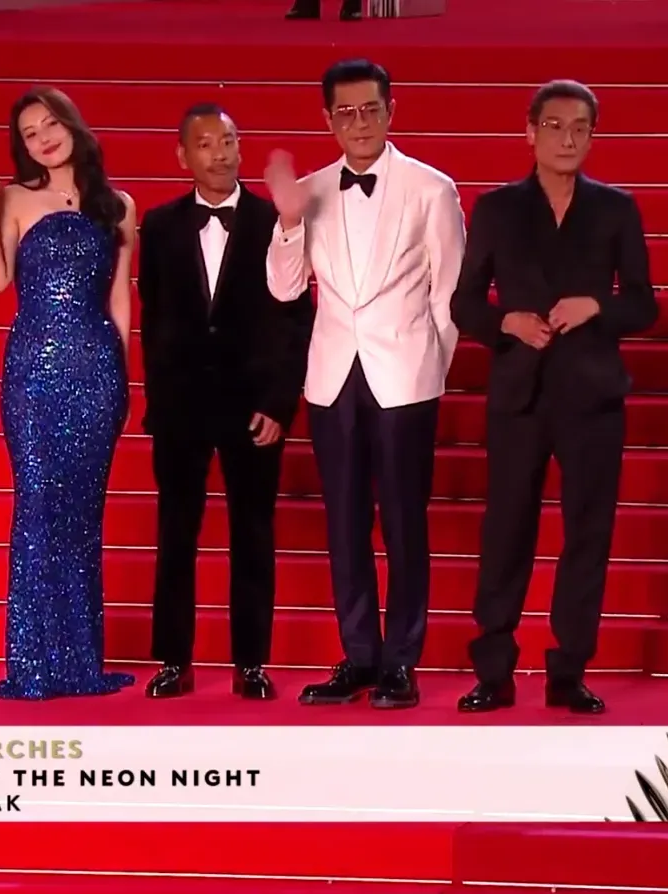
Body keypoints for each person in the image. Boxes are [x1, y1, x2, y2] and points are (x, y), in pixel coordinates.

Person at [449, 80, 659, 715]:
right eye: (554, 126)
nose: (567, 139)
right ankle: (494, 671)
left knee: (587, 533)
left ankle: (569, 671)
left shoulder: (616, 209)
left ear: (592, 136)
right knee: (506, 531)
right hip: (519, 394)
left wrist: (597, 306)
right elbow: (464, 303)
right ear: (530, 132)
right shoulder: (497, 209)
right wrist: (506, 322)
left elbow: (643, 304)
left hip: (592, 396)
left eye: (579, 128)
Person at [262, 58, 465, 710]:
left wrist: (429, 369)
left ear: (391, 110)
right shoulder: (311, 190)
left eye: (370, 109)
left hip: (405, 376)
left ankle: (401, 660)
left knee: (404, 522)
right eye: (345, 113)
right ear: (328, 119)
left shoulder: (431, 189)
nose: (359, 123)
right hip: (332, 378)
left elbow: (450, 294)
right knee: (344, 525)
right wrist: (288, 222)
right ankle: (358, 656)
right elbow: (284, 289)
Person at [0, 86, 138, 700]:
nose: (44, 139)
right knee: (36, 508)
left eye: (50, 125)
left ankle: (79, 665)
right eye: (30, 134)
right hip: (33, 373)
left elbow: (120, 299)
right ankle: (33, 666)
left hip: (97, 371)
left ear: (73, 126)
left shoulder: (118, 206)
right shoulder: (13, 198)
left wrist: (122, 377)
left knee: (83, 515)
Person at [137, 104, 313, 701]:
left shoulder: (273, 220)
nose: (220, 153)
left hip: (253, 406)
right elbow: (154, 320)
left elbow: (294, 318)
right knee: (175, 533)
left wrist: (279, 403)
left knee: (253, 534)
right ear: (182, 155)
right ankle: (174, 661)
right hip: (181, 408)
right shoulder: (159, 226)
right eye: (206, 143)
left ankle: (251, 663)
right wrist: (159, 402)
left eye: (229, 141)